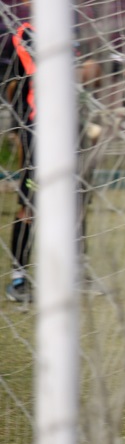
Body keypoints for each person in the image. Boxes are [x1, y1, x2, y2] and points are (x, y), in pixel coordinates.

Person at [3, 19, 35, 303]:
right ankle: (19, 278)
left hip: (71, 132)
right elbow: (11, 85)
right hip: (37, 133)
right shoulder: (23, 35)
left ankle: (75, 269)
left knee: (78, 201)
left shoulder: (69, 33)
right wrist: (18, 128)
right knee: (30, 205)